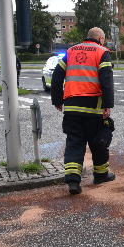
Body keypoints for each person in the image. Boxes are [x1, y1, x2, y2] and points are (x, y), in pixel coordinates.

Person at [50, 27, 116, 195]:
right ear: (101, 38)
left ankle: (73, 181)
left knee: (74, 143)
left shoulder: (70, 51)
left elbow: (57, 76)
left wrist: (57, 100)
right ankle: (101, 175)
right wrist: (107, 105)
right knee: (98, 142)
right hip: (93, 108)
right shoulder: (102, 52)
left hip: (72, 108)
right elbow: (106, 80)